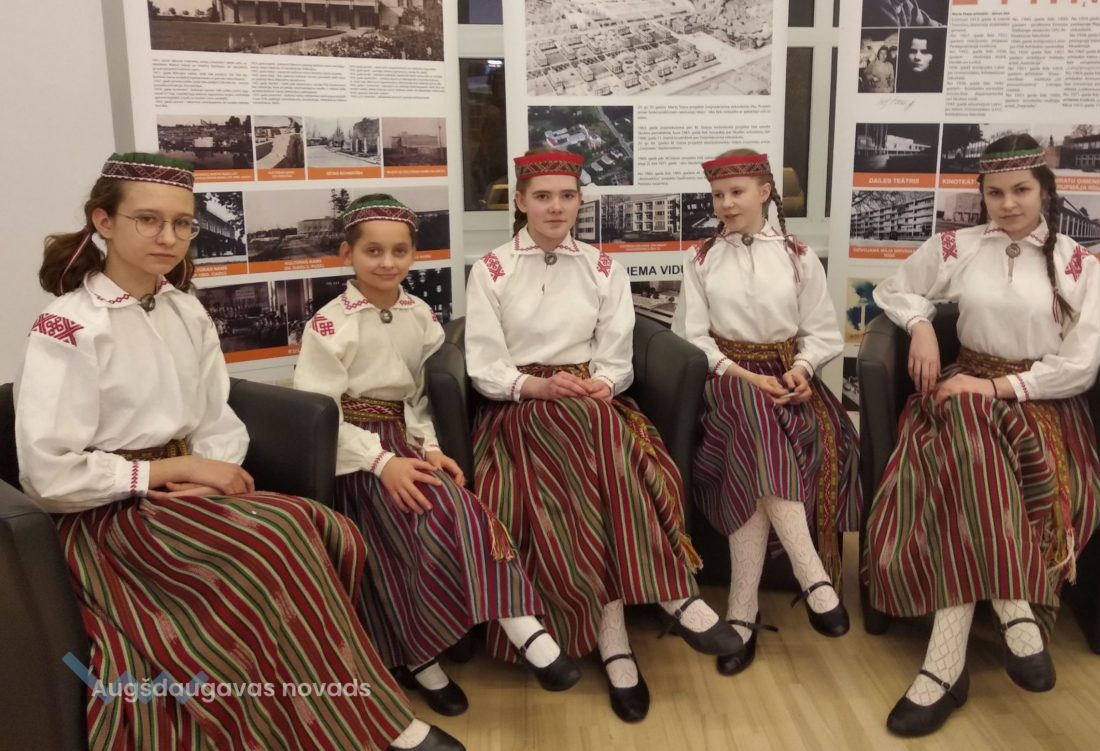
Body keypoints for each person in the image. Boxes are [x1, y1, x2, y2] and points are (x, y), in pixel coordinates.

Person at [15, 153, 462, 751]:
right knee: (270, 547)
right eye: (148, 220)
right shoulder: (68, 327)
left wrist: (212, 470)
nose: (168, 237)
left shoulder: (184, 307)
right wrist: (174, 469)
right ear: (104, 222)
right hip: (110, 515)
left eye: (182, 223)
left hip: (189, 491)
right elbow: (48, 474)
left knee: (324, 528)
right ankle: (374, 725)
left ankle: (322, 705)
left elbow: (216, 415)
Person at [465, 150, 739, 723]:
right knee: (593, 442)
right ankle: (657, 609)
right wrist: (535, 388)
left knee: (598, 435)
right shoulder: (490, 269)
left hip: (590, 402)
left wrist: (603, 384)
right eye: (543, 196)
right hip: (520, 408)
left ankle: (618, 640)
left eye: (567, 196)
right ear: (521, 202)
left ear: (579, 203)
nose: (556, 207)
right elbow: (485, 365)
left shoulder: (603, 266)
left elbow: (617, 355)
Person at [293, 193, 580, 718]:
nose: (388, 263)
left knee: (463, 509)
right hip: (354, 454)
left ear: (413, 254)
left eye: (399, 251)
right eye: (373, 251)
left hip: (404, 440)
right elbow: (320, 415)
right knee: (404, 529)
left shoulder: (420, 313)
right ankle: (421, 661)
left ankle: (525, 632)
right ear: (347, 254)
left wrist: (429, 448)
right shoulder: (328, 326)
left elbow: (421, 397)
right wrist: (382, 463)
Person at [865, 134, 1100, 737]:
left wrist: (995, 388)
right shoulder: (958, 245)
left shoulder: (1077, 261)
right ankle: (1014, 612)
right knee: (968, 427)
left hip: (1037, 405)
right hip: (960, 392)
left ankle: (943, 668)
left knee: (965, 441)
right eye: (995, 193)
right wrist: (921, 325)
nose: (1008, 204)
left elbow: (1082, 366)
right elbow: (893, 288)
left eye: (1021, 190)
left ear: (1044, 191)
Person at [674, 150, 861, 676]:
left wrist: (802, 371)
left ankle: (741, 614)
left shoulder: (799, 256)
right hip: (724, 382)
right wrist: (745, 375)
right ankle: (812, 577)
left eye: (737, 192)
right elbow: (692, 338)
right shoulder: (700, 259)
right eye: (718, 195)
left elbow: (821, 332)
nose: (727, 204)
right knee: (752, 416)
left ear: (764, 192)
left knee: (755, 441)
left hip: (787, 381)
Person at [895, 29, 947, 93]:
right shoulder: (900, 84)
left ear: (933, 56)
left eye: (924, 52)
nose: (917, 57)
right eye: (913, 51)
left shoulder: (939, 86)